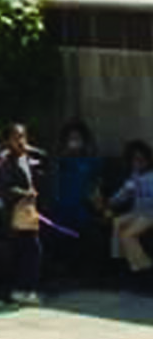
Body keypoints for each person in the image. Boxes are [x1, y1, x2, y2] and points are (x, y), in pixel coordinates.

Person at [0, 121, 46, 303]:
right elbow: (4, 189)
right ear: (7, 141)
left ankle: (23, 289)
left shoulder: (30, 158)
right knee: (26, 251)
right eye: (16, 137)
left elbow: (39, 174)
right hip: (12, 214)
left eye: (23, 136)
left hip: (29, 212)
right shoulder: (3, 162)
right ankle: (21, 289)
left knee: (30, 250)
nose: (21, 141)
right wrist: (25, 193)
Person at [45, 120, 110, 281]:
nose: (74, 142)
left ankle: (88, 271)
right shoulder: (61, 161)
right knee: (59, 233)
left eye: (77, 138)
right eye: (71, 138)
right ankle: (64, 268)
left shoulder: (91, 160)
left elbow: (98, 182)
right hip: (62, 207)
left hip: (83, 206)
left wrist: (97, 200)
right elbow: (52, 180)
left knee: (88, 233)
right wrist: (64, 154)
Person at [107, 140, 153, 281]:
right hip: (137, 213)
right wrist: (110, 202)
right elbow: (122, 196)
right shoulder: (133, 176)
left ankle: (144, 269)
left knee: (128, 235)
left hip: (150, 214)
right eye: (135, 160)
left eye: (141, 159)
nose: (138, 163)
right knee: (117, 222)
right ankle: (119, 261)